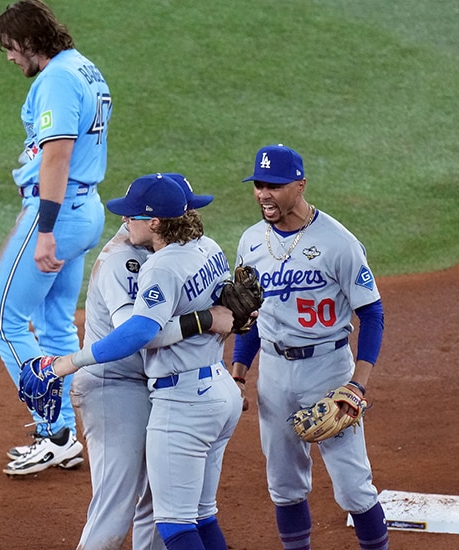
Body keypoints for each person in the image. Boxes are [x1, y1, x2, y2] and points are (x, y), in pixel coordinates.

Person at [39, 173, 243, 550]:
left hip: (171, 390)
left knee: (167, 510)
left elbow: (146, 331)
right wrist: (207, 319)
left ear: (156, 221)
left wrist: (65, 364)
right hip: (116, 385)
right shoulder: (133, 260)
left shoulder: (172, 258)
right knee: (121, 505)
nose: (123, 220)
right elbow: (132, 334)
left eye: (131, 215)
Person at [229, 144, 389, 549]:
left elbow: (372, 316)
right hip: (275, 373)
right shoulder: (250, 242)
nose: (264, 193)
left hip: (328, 371)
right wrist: (239, 372)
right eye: (259, 185)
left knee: (354, 488)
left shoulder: (339, 243)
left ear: (299, 185)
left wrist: (357, 385)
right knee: (284, 486)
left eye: (275, 186)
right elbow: (251, 317)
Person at [0, 0, 113, 475]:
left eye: (11, 47)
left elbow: (57, 156)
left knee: (3, 321)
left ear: (31, 40)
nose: (10, 57)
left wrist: (43, 232)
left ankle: (54, 431)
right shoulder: (84, 67)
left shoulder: (58, 78)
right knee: (56, 320)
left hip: (56, 213)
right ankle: (62, 431)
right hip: (83, 209)